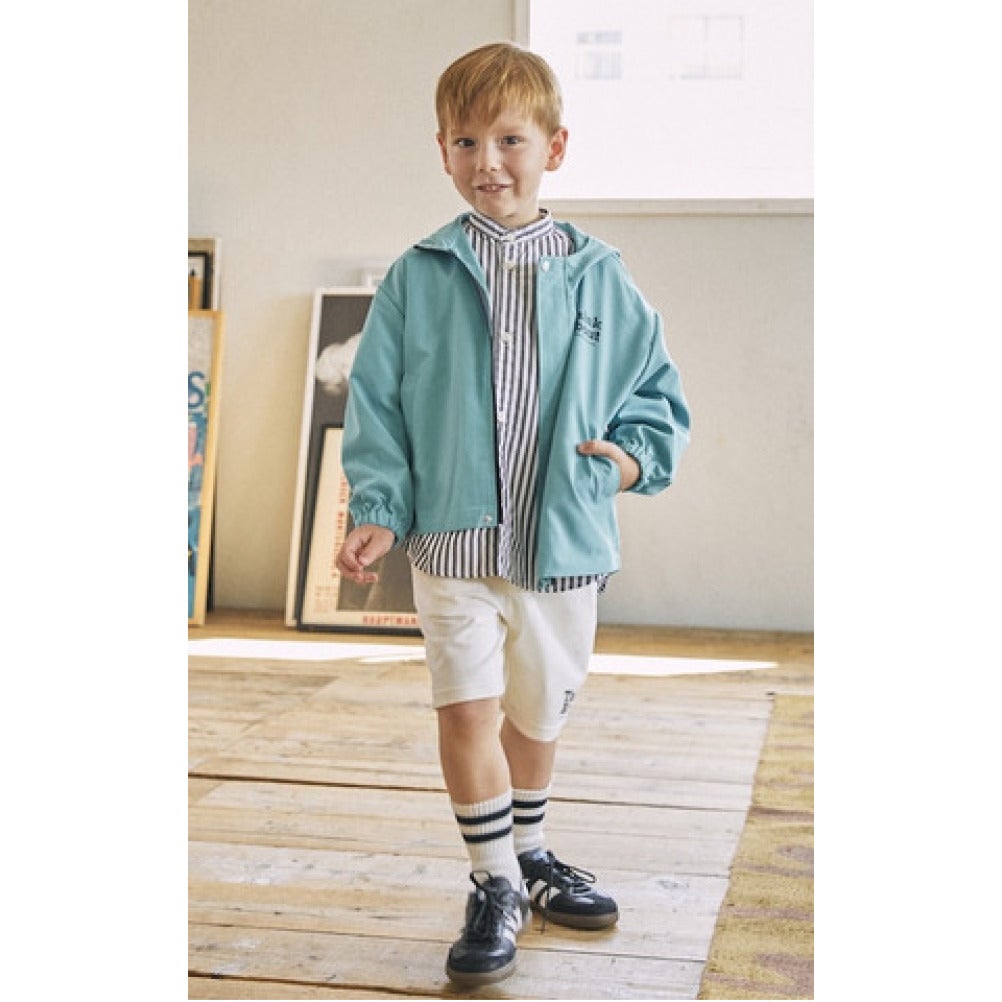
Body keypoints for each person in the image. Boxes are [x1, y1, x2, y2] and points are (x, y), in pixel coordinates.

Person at [335, 41, 690, 986]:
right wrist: (379, 507)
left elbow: (655, 392)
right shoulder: (418, 275)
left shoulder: (599, 274)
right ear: (442, 152)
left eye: (509, 140)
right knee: (467, 710)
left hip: (562, 544)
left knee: (535, 717)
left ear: (554, 148)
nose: (487, 161)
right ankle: (494, 881)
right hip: (452, 544)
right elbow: (377, 404)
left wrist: (632, 459)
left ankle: (529, 855)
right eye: (465, 142)